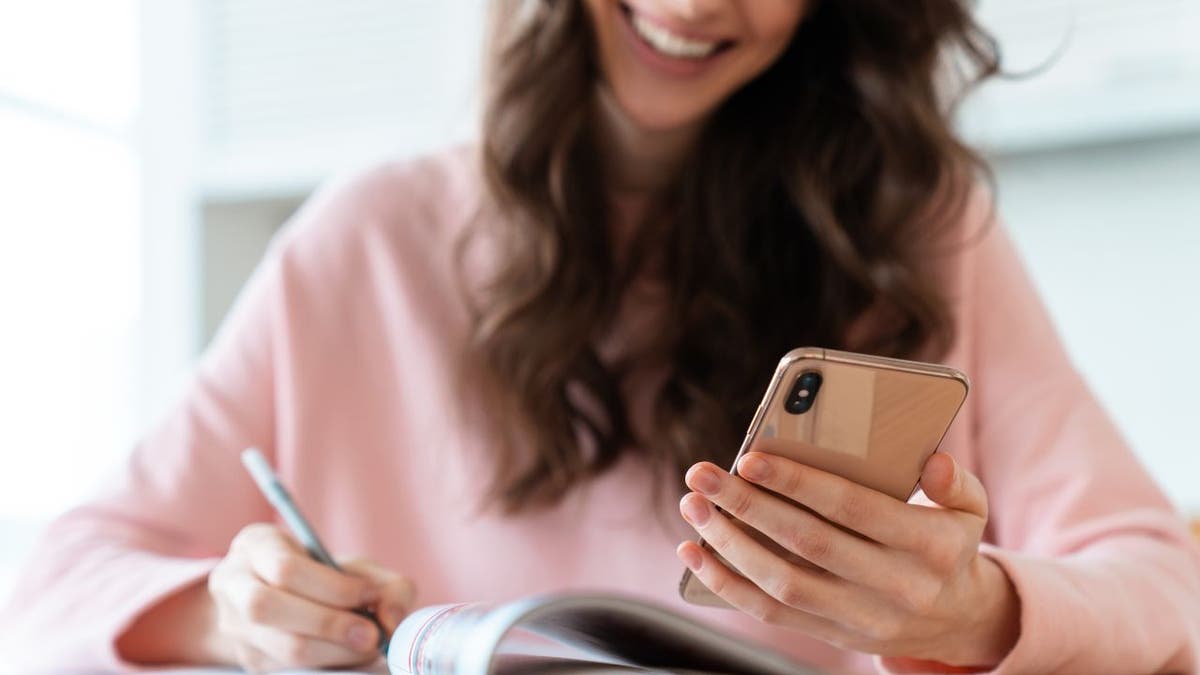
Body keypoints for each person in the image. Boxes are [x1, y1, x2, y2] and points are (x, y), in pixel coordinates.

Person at [3, 1, 1199, 672]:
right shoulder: (364, 241)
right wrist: (235, 613)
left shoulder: (921, 240)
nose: (693, 4)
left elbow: (1162, 581)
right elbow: (51, 585)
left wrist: (966, 614)